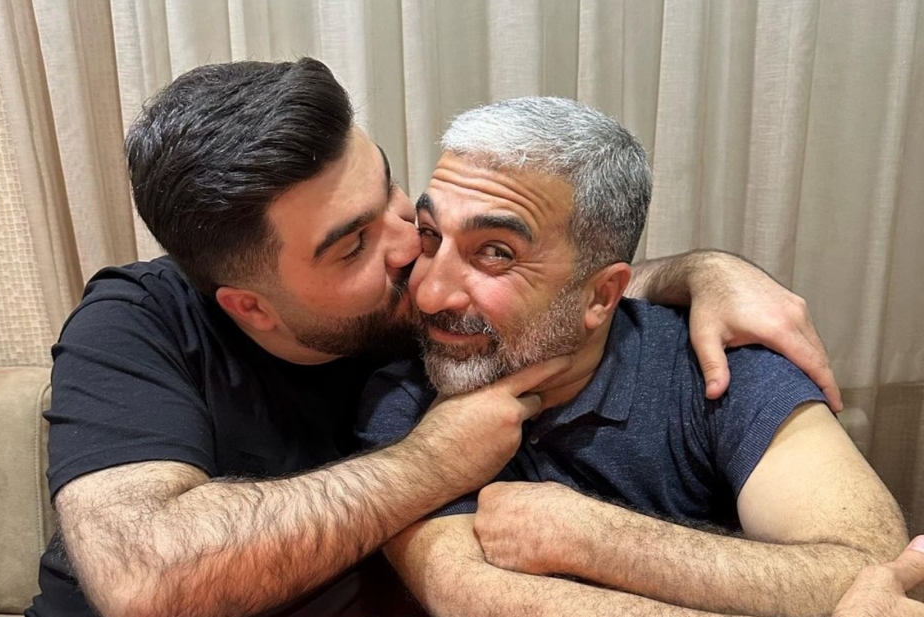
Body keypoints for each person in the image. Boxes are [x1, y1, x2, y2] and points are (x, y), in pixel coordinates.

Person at [25, 60, 842, 617]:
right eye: (353, 244)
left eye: (389, 191)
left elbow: (545, 282)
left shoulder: (415, 302)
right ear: (253, 306)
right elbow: (145, 578)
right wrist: (430, 463)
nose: (413, 251)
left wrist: (705, 269)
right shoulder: (135, 324)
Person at [357, 96, 907, 617]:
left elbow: (876, 569)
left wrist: (595, 539)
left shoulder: (720, 367)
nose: (429, 294)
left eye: (496, 252)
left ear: (601, 296)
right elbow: (470, 596)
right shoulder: (406, 398)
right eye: (430, 236)